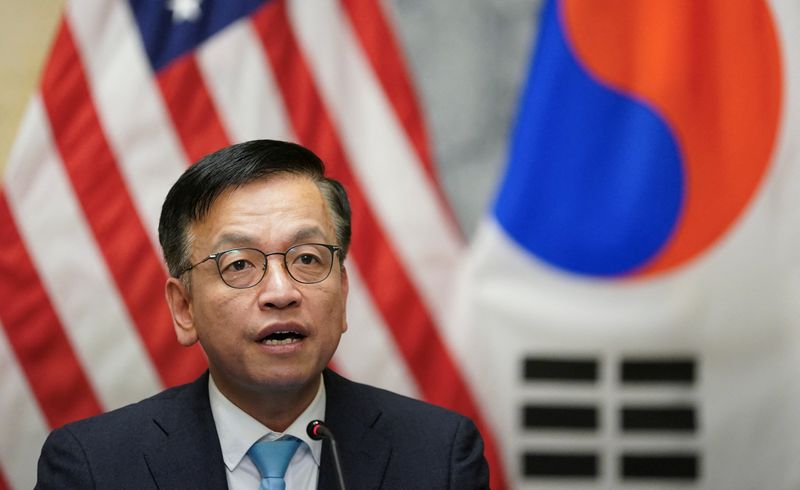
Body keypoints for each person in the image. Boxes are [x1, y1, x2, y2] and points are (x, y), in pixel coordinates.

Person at [35, 139, 490, 489]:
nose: (281, 292)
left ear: (344, 292)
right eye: (239, 265)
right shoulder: (94, 466)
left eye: (308, 259)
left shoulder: (439, 455)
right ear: (184, 308)